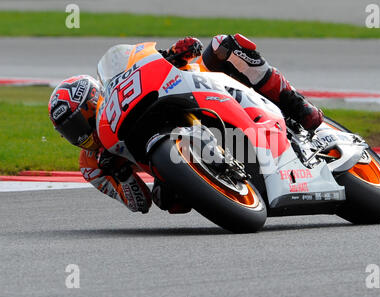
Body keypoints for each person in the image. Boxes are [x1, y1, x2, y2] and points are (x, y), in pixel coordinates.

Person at [48, 34, 323, 215]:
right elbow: (138, 203)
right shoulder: (91, 165)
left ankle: (298, 106)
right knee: (169, 201)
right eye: (71, 133)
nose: (82, 135)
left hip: (199, 88)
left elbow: (147, 65)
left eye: (80, 122)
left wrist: (174, 53)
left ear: (96, 100)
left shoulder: (119, 94)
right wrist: (120, 174)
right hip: (166, 156)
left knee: (224, 45)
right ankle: (223, 185)